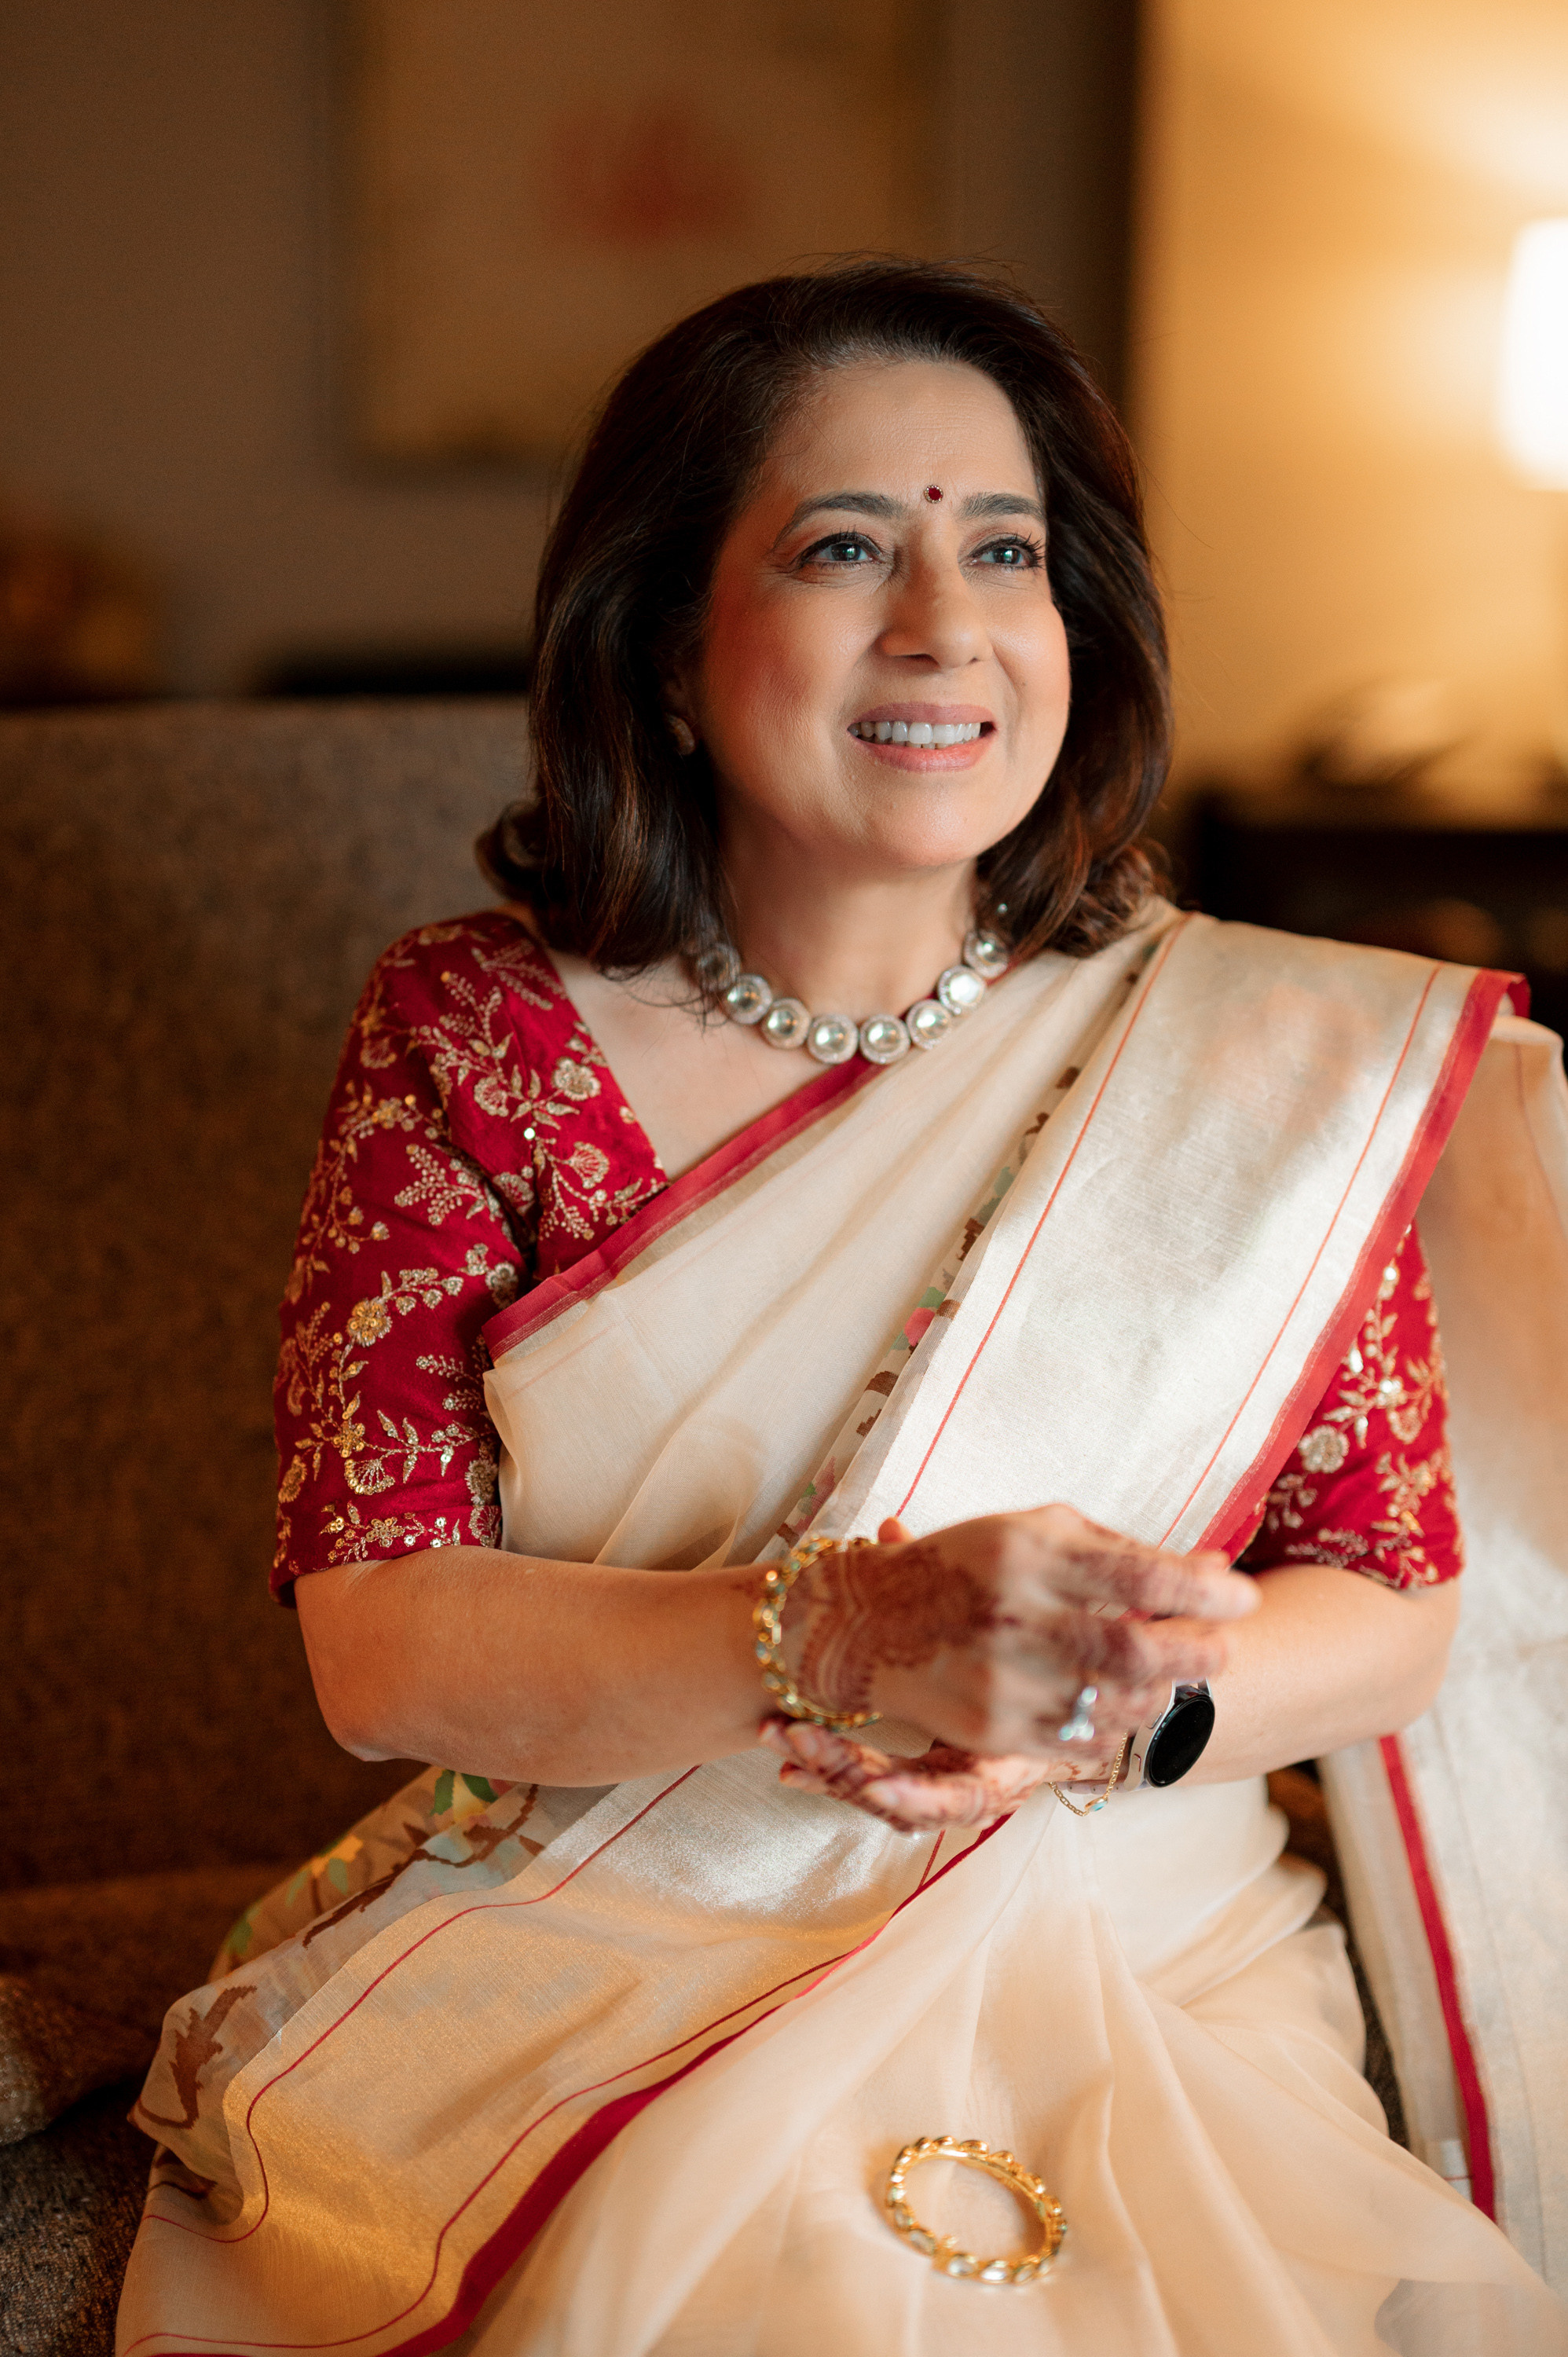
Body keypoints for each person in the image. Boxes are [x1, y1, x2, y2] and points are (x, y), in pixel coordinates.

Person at [115, 261, 1568, 2356]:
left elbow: (1395, 1600)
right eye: (843, 549)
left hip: (1133, 1926)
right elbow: (382, 1643)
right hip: (619, 1927)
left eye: (1006, 551)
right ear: (666, 644)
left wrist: (1098, 1711)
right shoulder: (478, 1034)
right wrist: (857, 1638)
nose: (944, 626)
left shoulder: (1243, 1066)